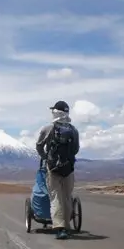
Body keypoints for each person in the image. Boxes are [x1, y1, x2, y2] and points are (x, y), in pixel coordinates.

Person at [35, 100, 80, 240]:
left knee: (56, 197)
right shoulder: (73, 130)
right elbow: (76, 149)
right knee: (67, 197)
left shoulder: (48, 128)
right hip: (69, 168)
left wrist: (46, 158)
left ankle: (59, 228)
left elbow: (39, 146)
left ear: (55, 113)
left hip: (53, 169)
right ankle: (67, 226)